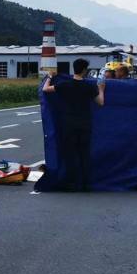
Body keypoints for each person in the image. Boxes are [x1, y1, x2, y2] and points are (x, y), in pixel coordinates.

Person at [42, 58, 105, 191]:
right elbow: (100, 102)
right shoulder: (89, 86)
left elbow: (46, 89)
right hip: (85, 124)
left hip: (68, 124)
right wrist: (101, 89)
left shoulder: (65, 85)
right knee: (84, 154)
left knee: (70, 154)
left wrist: (49, 76)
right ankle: (86, 184)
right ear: (84, 70)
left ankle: (71, 183)